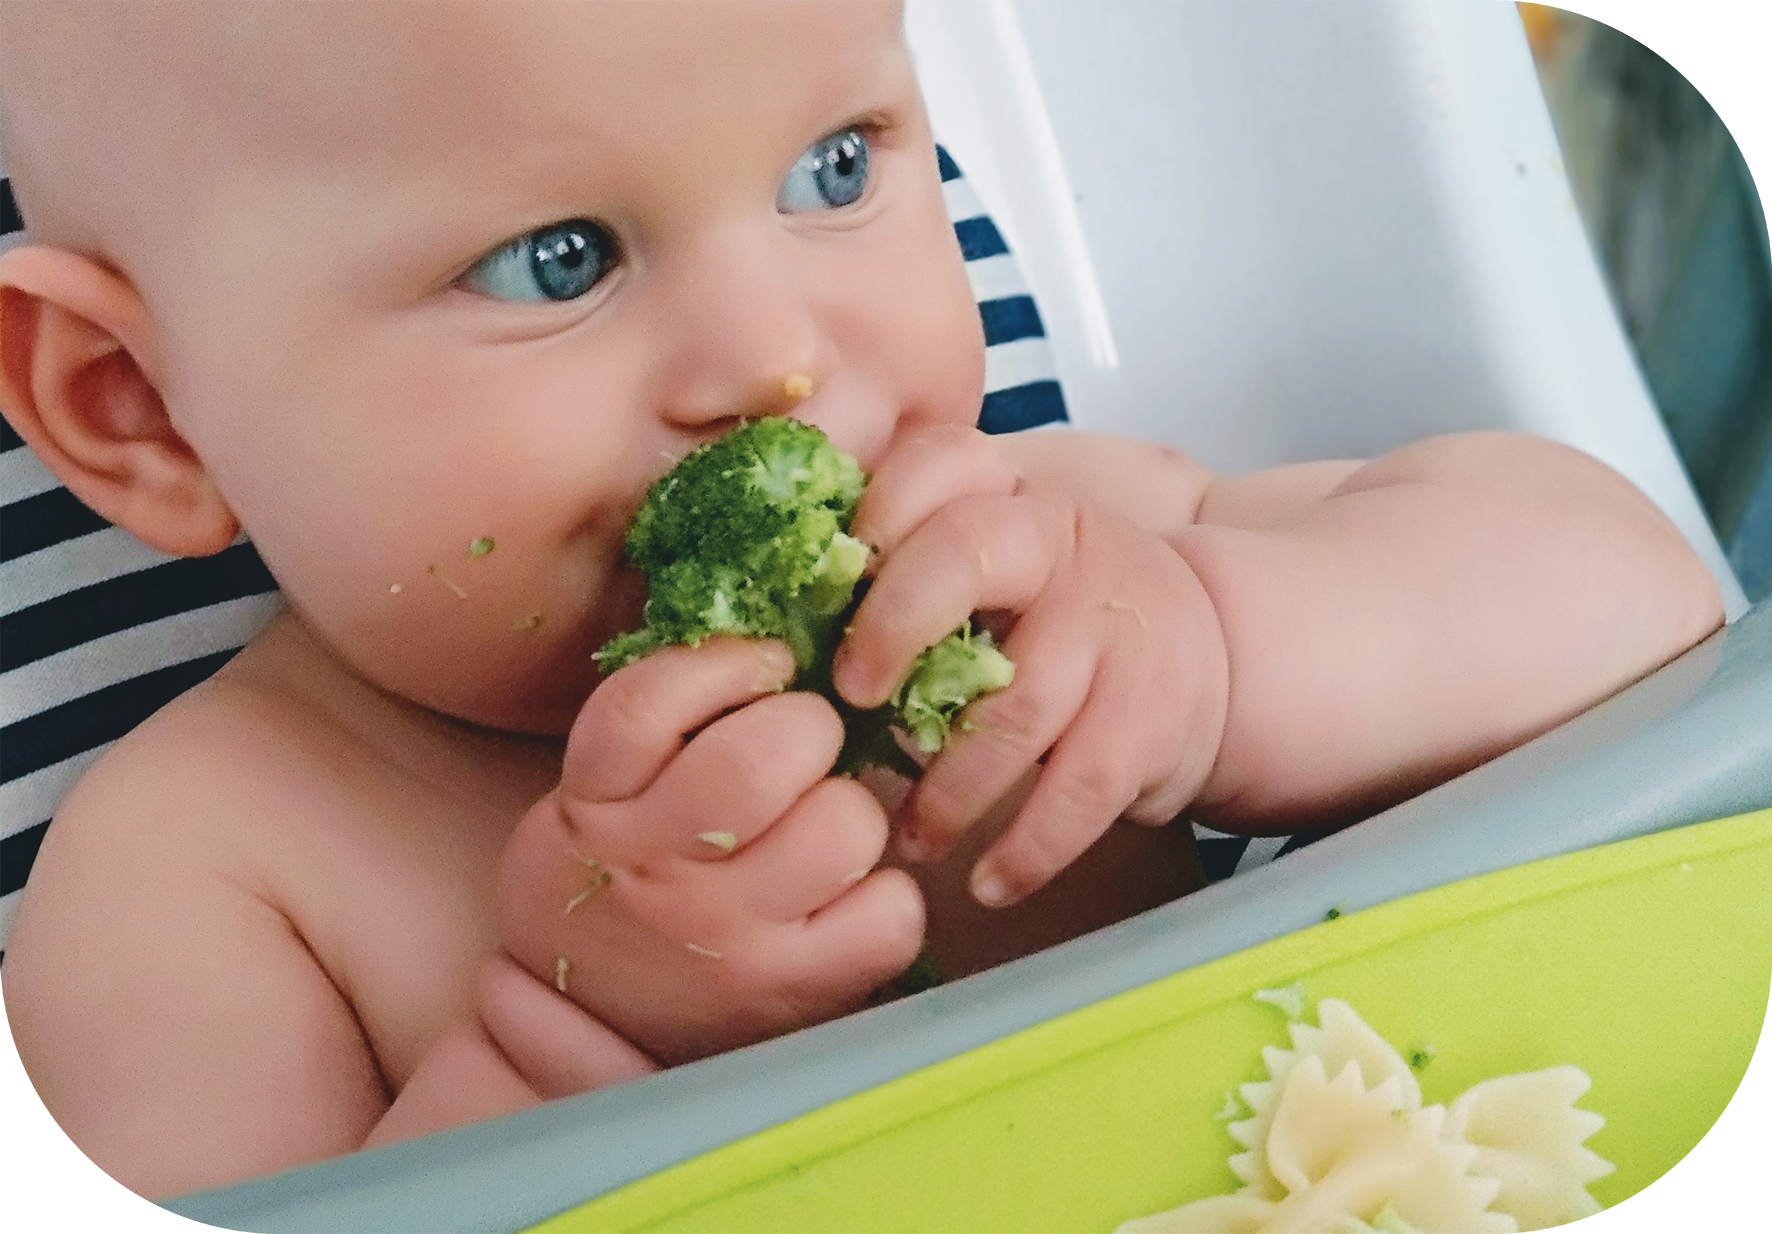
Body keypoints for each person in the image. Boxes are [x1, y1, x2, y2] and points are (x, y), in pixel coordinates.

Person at [0, 0, 1721, 1201]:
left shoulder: (1087, 541)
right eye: (559, 259)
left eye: (839, 166)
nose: (775, 355)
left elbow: (1642, 599)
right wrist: (563, 1041)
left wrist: (1224, 654)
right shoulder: (212, 880)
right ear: (134, 409)